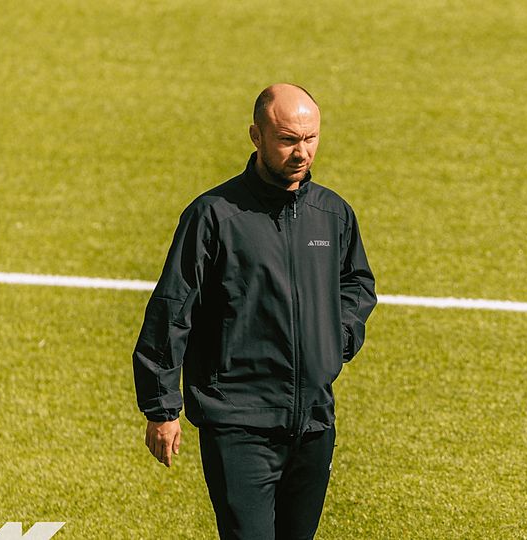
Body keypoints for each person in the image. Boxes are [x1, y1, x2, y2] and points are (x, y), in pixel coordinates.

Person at [132, 83, 377, 539]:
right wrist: (161, 407)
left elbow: (357, 285)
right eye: (287, 139)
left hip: (313, 422)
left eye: (310, 138)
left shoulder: (333, 214)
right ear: (256, 136)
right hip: (238, 424)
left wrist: (336, 340)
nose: (301, 152)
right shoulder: (213, 216)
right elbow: (172, 310)